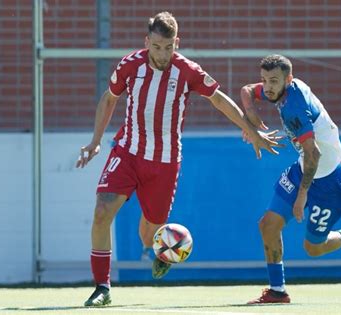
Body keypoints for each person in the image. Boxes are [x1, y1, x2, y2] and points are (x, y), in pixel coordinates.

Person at [76, 12, 280, 307]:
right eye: (157, 47)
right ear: (147, 42)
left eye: (168, 47)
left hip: (165, 163)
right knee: (102, 212)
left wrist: (251, 131)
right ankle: (102, 288)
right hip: (128, 152)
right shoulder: (130, 65)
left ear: (176, 43)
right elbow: (109, 99)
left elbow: (220, 99)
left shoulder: (188, 70)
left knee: (150, 230)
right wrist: (95, 142)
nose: (162, 54)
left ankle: (158, 251)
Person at [240, 55, 341, 304]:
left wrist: (302, 195)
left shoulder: (294, 105)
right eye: (265, 80)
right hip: (304, 167)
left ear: (288, 79)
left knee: (314, 247)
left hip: (328, 181)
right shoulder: (282, 89)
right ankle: (278, 291)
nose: (267, 86)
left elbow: (314, 154)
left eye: (273, 81)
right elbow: (246, 90)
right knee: (268, 225)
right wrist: (251, 118)